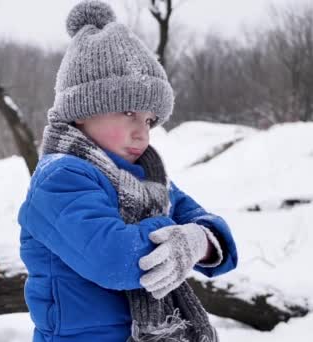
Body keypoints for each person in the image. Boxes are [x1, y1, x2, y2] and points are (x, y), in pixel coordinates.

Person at [17, 1, 238, 341]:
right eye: (130, 112)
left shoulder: (148, 179)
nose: (143, 132)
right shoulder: (59, 179)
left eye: (150, 119)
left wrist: (198, 241)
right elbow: (114, 259)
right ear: (82, 110)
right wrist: (175, 232)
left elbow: (210, 231)